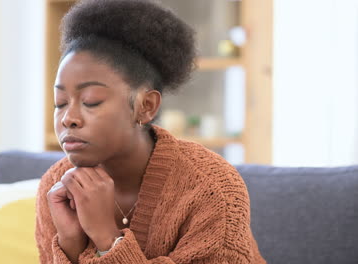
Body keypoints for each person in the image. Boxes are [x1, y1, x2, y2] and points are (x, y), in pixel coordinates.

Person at [35, 0, 266, 263]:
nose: (68, 118)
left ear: (145, 106)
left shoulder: (212, 188)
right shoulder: (55, 187)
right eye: (60, 103)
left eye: (91, 101)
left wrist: (107, 237)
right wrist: (70, 243)